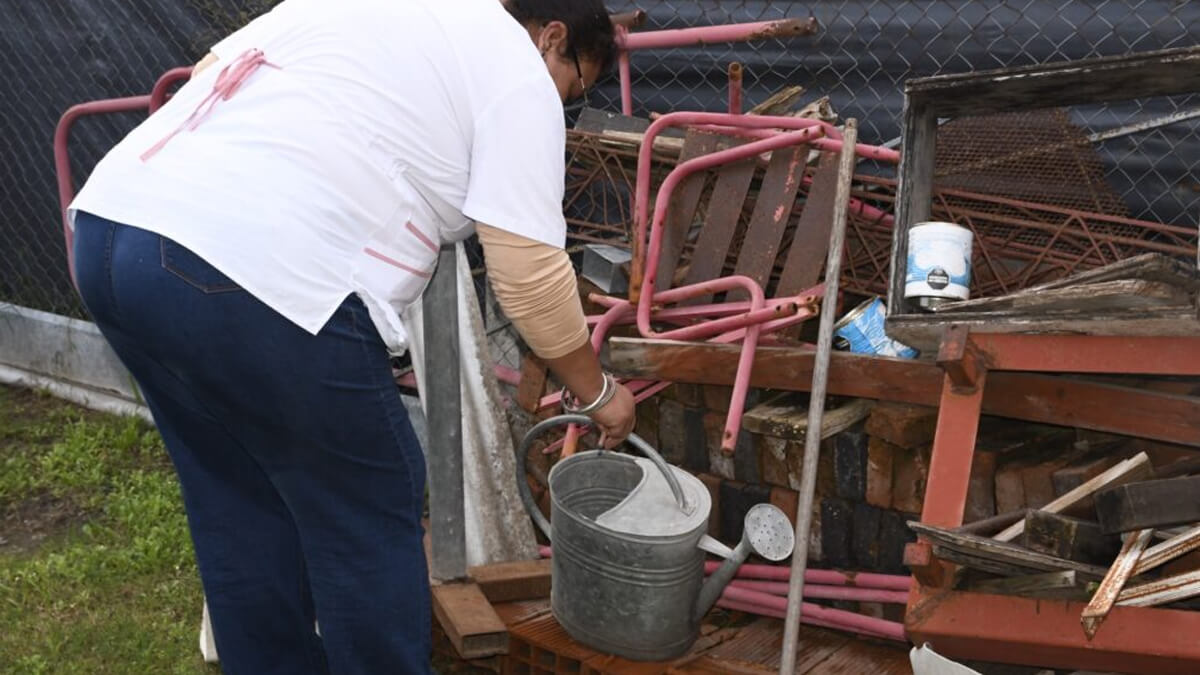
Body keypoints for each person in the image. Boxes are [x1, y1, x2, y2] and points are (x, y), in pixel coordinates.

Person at [67, 0, 634, 672]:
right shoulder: (514, 67)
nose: (567, 104)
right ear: (552, 36)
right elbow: (529, 274)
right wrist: (598, 392)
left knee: (238, 496)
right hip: (251, 269)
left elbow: (214, 69)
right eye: (574, 85)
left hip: (114, 229)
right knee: (368, 502)